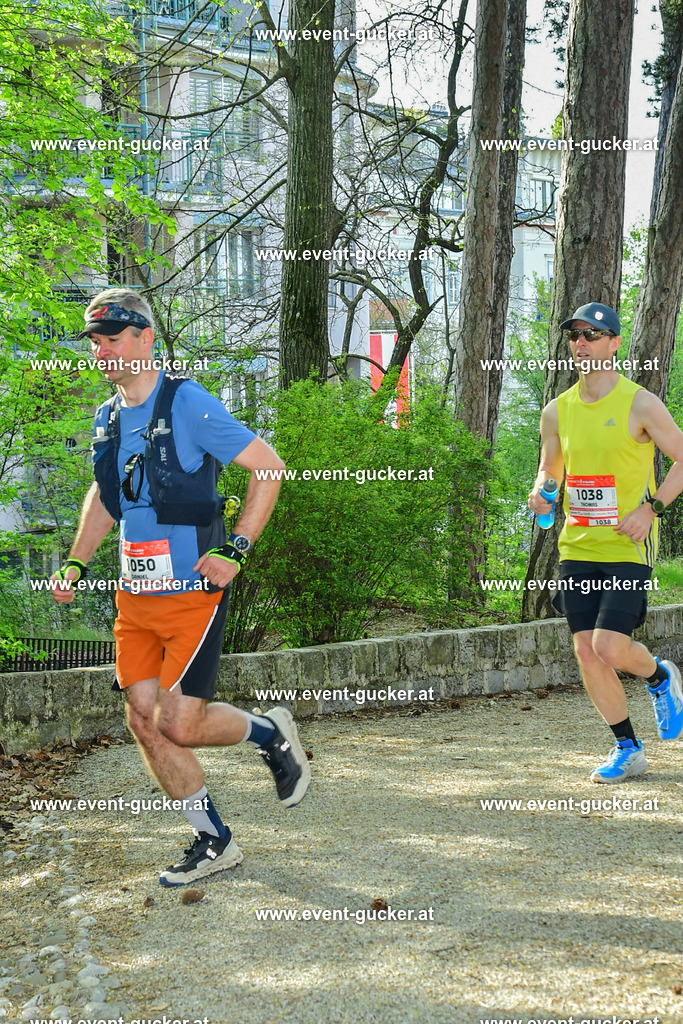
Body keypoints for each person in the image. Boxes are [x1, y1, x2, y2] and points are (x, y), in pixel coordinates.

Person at [51, 288, 310, 884]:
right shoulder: (108, 417)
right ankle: (213, 838)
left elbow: (268, 467)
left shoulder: (188, 401)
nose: (104, 352)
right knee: (142, 718)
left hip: (191, 593)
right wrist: (76, 560)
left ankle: (268, 733)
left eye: (113, 338)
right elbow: (106, 497)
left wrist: (235, 548)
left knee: (178, 722)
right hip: (134, 598)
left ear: (145, 337)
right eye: (96, 342)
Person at [528, 301, 683, 783]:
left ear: (614, 344)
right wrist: (541, 493)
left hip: (627, 546)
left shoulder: (640, 403)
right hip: (577, 546)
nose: (581, 343)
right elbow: (550, 470)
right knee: (587, 653)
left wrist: (651, 508)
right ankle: (627, 748)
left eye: (592, 335)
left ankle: (660, 677)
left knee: (611, 647)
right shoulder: (557, 412)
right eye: (575, 335)